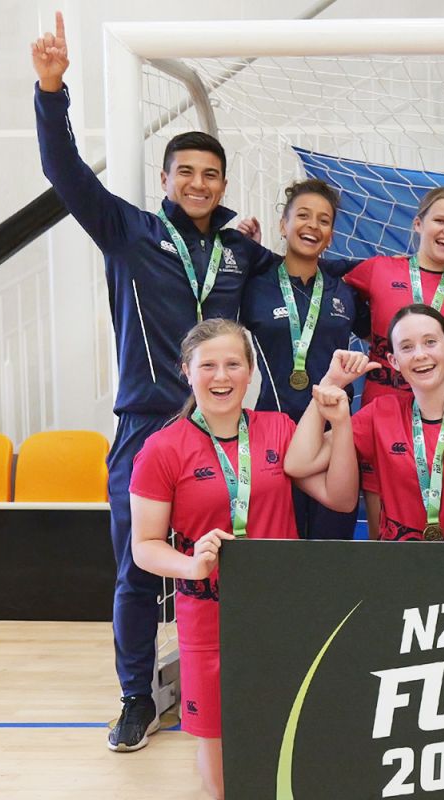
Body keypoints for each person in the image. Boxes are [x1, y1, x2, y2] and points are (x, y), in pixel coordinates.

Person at [31, 13, 277, 751]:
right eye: (185, 173)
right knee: (137, 573)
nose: (198, 184)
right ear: (166, 179)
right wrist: (51, 92)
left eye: (210, 175)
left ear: (224, 184)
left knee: (244, 558)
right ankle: (137, 697)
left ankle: (255, 681)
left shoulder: (242, 252)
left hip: (229, 433)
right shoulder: (127, 231)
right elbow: (63, 173)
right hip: (146, 427)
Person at [128, 319, 357, 798]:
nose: (221, 376)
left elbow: (339, 497)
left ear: (251, 372)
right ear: (185, 371)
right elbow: (145, 546)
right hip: (209, 612)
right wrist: (191, 565)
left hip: (283, 608)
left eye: (234, 363)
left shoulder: (277, 427)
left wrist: (339, 421)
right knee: (218, 756)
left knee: (286, 732)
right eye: (207, 364)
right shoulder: (162, 449)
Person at [287, 304, 444, 541]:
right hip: (399, 567)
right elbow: (299, 464)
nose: (420, 354)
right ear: (393, 360)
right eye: (406, 347)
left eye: (430, 342)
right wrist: (330, 383)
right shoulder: (381, 414)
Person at [240, 178, 363, 539]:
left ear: (331, 233)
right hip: (272, 431)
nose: (313, 226)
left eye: (324, 220)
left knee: (332, 547)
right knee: (280, 543)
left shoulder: (346, 289)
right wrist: (248, 253)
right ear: (284, 224)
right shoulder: (254, 286)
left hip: (330, 436)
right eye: (303, 216)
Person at [342, 187, 444, 404]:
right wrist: (371, 333)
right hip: (383, 411)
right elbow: (331, 294)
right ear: (418, 224)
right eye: (440, 220)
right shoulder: (379, 269)